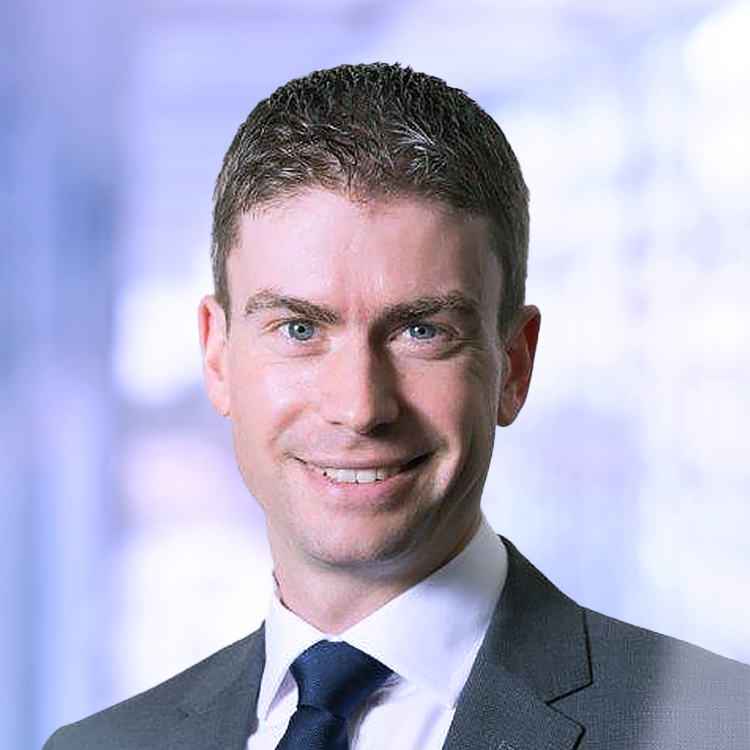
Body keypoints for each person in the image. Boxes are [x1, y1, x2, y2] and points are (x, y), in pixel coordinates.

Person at [44, 62, 747, 750]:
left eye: (421, 332)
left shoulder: (722, 729)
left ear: (514, 364)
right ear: (217, 356)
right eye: (299, 329)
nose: (359, 408)